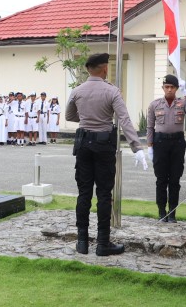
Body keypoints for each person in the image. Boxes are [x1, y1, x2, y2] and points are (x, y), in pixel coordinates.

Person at [65, 53, 148, 256]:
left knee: (84, 193)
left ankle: (82, 242)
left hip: (83, 145)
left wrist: (86, 117)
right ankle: (103, 244)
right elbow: (125, 120)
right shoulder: (112, 92)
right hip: (104, 147)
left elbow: (69, 116)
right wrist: (136, 147)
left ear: (87, 69)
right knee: (104, 194)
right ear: (104, 69)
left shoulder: (77, 91)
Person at [147, 74, 186, 223]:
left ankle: (172, 213)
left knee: (175, 180)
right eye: (166, 87)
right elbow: (150, 127)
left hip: (177, 143)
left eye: (172, 87)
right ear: (163, 88)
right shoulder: (155, 105)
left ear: (176, 88)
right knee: (161, 179)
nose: (169, 90)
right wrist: (150, 146)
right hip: (160, 143)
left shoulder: (182, 103)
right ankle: (161, 211)